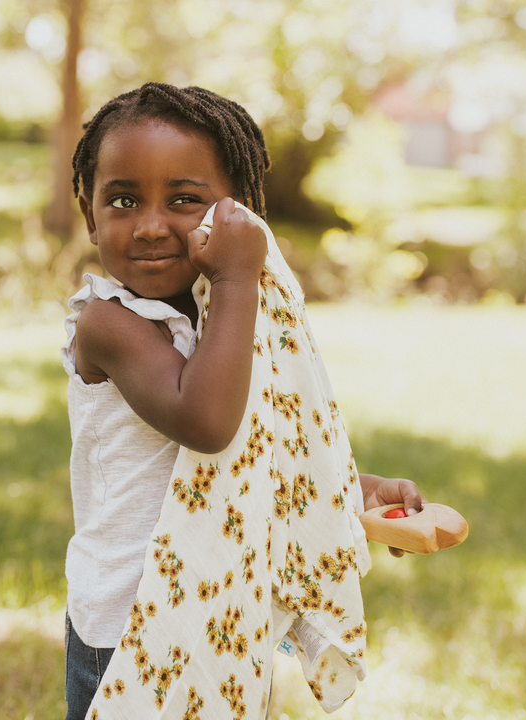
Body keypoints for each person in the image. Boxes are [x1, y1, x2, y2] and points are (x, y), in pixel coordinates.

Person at [60, 82, 424, 720]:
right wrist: (234, 277)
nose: (149, 225)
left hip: (220, 613)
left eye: (183, 199)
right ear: (90, 213)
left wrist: (349, 491)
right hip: (130, 630)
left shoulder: (223, 321)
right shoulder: (107, 323)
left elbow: (256, 459)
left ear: (240, 212)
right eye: (122, 200)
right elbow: (207, 424)